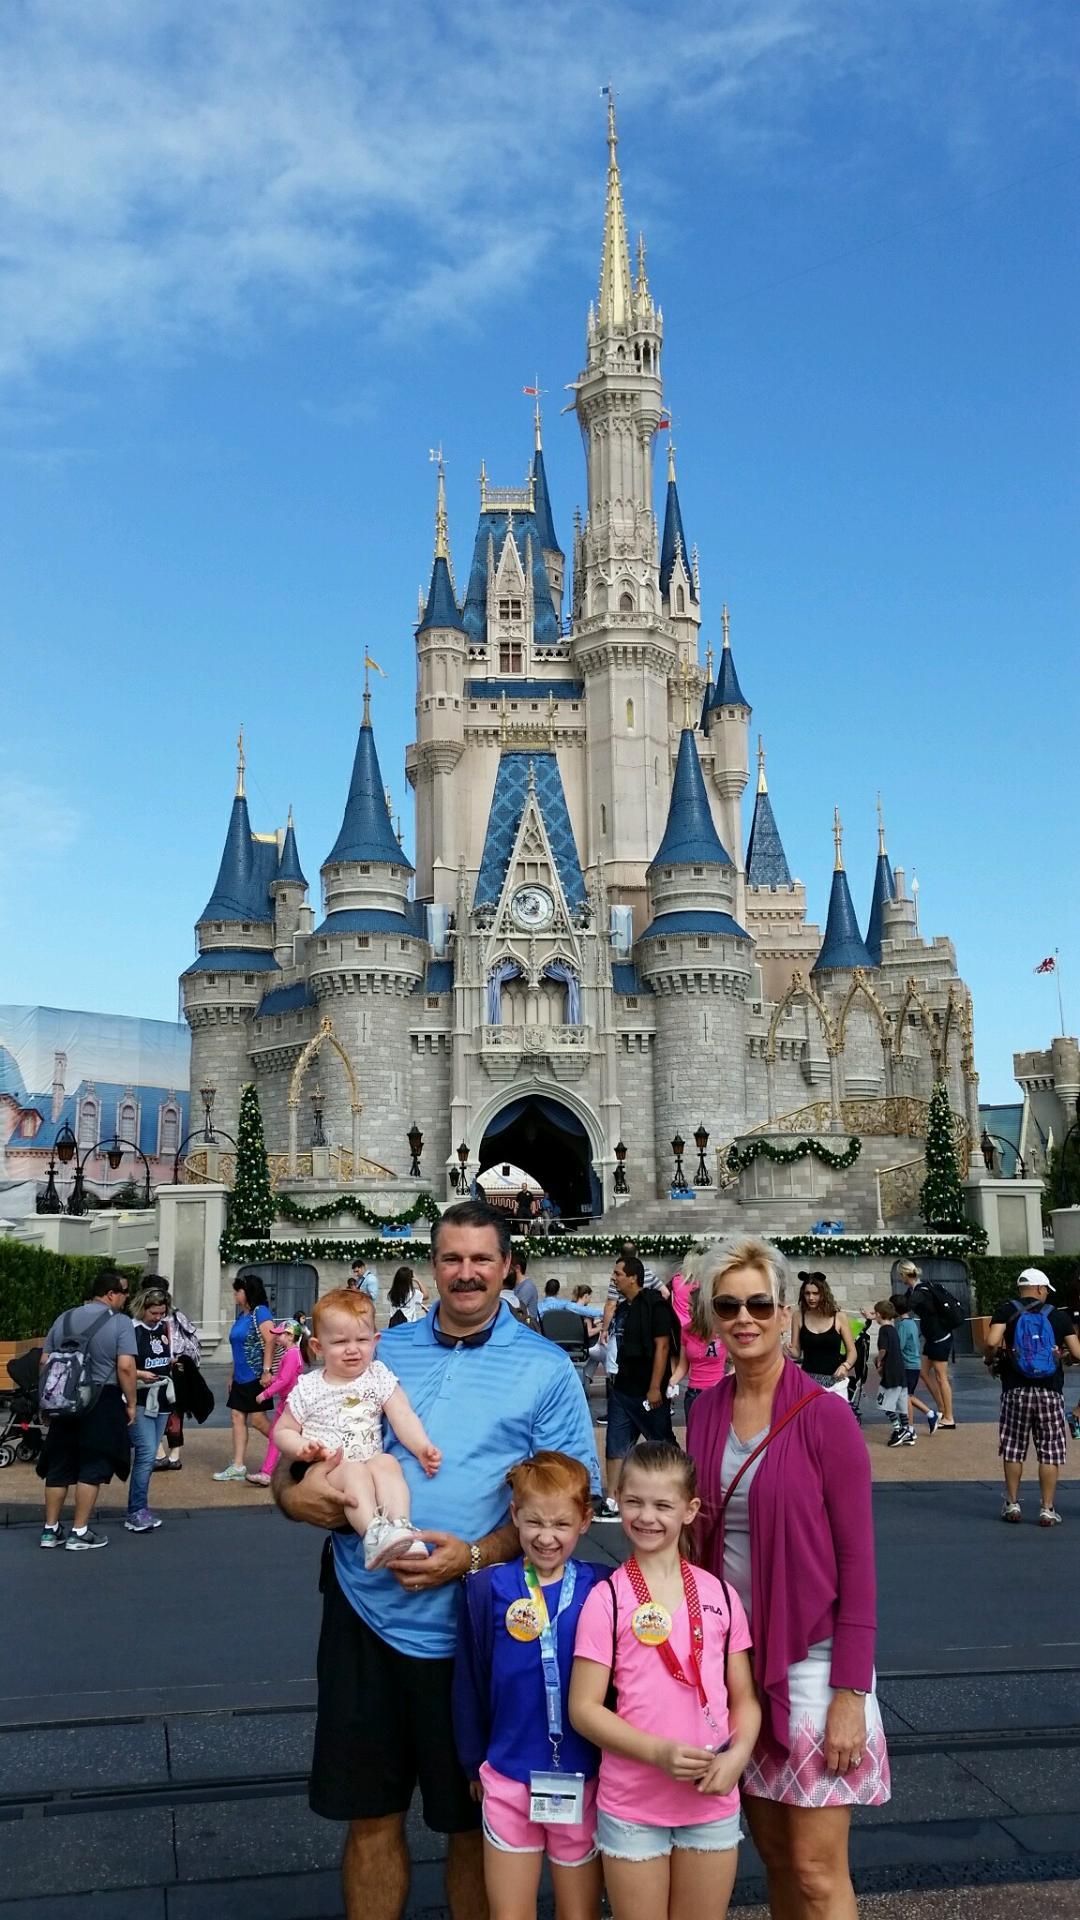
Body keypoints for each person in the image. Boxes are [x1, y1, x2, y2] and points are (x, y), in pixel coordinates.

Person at [272, 1199, 600, 1920]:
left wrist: (476, 1555)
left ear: (508, 1265)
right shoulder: (378, 1348)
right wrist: (294, 1497)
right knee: (370, 1815)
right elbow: (292, 1459)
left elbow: (573, 1500)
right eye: (452, 1258)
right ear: (432, 1266)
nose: (466, 1272)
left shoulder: (546, 1369)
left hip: (478, 1628)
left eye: (482, 1258)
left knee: (476, 1822)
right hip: (365, 1611)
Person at [686, 1235, 889, 1919]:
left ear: (784, 1315)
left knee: (816, 1871)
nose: (744, 1318)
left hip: (813, 1661)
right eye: (728, 1306)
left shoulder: (826, 1416)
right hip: (736, 1665)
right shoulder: (705, 1410)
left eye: (759, 1304)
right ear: (712, 1318)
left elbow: (858, 1561)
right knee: (774, 1856)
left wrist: (850, 1692)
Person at [570, 1441, 759, 1919]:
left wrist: (738, 1755)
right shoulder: (607, 1599)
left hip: (709, 1798)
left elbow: (744, 1698)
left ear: (689, 1510)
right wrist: (657, 1753)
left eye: (662, 1505)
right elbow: (583, 1709)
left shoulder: (719, 1594)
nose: (647, 1516)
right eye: (634, 1501)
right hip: (633, 1803)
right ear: (617, 1499)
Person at [453, 1452, 604, 1920]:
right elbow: (469, 1681)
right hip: (507, 1776)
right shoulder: (486, 1588)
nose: (546, 1536)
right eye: (534, 1521)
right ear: (515, 1515)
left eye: (561, 1524)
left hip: (583, 1778)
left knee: (579, 1913)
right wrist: (472, 1761)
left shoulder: (603, 1587)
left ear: (585, 1521)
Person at [273, 1288, 442, 1568]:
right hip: (331, 1466)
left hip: (368, 1459)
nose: (352, 1349)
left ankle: (401, 1527)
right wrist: (301, 1448)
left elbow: (402, 1414)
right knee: (354, 1472)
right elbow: (282, 1430)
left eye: (362, 1340)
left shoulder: (377, 1375)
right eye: (340, 1342)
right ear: (318, 1347)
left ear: (375, 1341)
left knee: (387, 1463)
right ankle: (373, 1534)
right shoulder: (309, 1387)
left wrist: (422, 1447)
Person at [38, 1269, 137, 1551]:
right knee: (92, 1466)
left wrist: (46, 1401)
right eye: (125, 1292)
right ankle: (79, 1531)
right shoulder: (120, 1322)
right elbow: (126, 1366)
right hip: (101, 1399)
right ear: (111, 1294)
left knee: (58, 1466)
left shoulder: (65, 1318)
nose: (127, 1298)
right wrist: (131, 1404)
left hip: (63, 1397)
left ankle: (50, 1530)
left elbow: (44, 1361)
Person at [985, 1267, 1080, 1527]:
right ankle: (1047, 1509)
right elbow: (1077, 1353)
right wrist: (1065, 1359)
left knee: (1014, 1448)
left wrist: (991, 1359)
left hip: (1015, 1389)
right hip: (1050, 1390)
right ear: (1040, 1288)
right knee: (1049, 1450)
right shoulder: (1057, 1316)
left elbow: (992, 1342)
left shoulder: (1006, 1310)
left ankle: (1012, 1503)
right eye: (1046, 1289)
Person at [600, 1255, 679, 1520]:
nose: (614, 1278)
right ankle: (613, 1499)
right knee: (615, 1443)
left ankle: (675, 1489)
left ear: (633, 1277)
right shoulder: (624, 1308)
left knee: (662, 1443)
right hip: (623, 1387)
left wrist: (655, 1387)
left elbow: (662, 1346)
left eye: (618, 1274)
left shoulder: (655, 1306)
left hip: (648, 1389)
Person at [213, 1274, 276, 1482]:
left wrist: (266, 1371)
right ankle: (238, 1465)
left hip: (255, 1376)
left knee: (258, 1421)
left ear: (248, 1292)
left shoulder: (260, 1312)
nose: (235, 1294)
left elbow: (270, 1340)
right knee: (237, 1417)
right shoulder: (242, 1315)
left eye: (238, 1291)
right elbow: (239, 1348)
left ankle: (292, 1448)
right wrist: (231, 1374)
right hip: (241, 1377)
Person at [125, 1284, 175, 1532]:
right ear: (142, 1309)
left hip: (162, 1397)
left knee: (150, 1454)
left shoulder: (164, 1327)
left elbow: (166, 1358)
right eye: (153, 1313)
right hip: (141, 1398)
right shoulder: (132, 1330)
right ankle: (136, 1510)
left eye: (161, 1313)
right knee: (145, 1454)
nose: (157, 1317)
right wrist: (140, 1374)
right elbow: (122, 1366)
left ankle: (140, 1507)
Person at [896, 1259, 956, 1428]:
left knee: (941, 1377)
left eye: (900, 1275)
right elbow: (899, 1304)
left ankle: (949, 1417)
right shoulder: (914, 1290)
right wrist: (879, 1312)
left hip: (940, 1337)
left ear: (904, 1274)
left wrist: (883, 1314)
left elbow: (903, 1307)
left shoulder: (920, 1292)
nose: (900, 1278)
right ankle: (941, 1408)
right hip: (932, 1337)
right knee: (923, 1371)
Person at [155, 1293, 211, 1471]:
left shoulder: (166, 1319)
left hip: (168, 1371)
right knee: (173, 1411)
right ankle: (171, 1455)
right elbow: (192, 1344)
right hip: (175, 1370)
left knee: (162, 1410)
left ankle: (162, 1454)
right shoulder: (178, 1317)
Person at [252, 1319, 307, 1484]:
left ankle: (268, 1472)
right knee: (279, 1436)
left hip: (289, 1402)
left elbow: (284, 1380)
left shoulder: (291, 1354)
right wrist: (273, 1380)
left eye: (280, 1334)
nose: (277, 1337)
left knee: (278, 1435)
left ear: (290, 1336)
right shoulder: (292, 1353)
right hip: (289, 1401)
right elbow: (285, 1377)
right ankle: (269, 1472)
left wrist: (265, 1394)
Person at [670, 1265, 729, 1414]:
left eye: (691, 1305)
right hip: (693, 1394)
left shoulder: (722, 1329)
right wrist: (671, 1383)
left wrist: (728, 1381)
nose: (687, 1308)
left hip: (717, 1393)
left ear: (700, 1308)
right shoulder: (686, 1330)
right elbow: (683, 1366)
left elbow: (739, 1360)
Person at [788, 1272, 857, 1398]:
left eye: (815, 1293)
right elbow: (796, 1353)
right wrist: (786, 1348)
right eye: (807, 1293)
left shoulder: (839, 1317)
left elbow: (852, 1351)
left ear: (824, 1294)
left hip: (835, 1381)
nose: (811, 1298)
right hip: (808, 1381)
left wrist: (845, 1366)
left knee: (836, 1411)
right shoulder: (798, 1316)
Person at [892, 1293, 938, 1434]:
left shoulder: (903, 1325)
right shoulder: (911, 1322)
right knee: (909, 1395)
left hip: (908, 1365)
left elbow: (899, 1346)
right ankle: (930, 1414)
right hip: (914, 1364)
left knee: (905, 1397)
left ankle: (909, 1428)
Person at [871, 1299, 915, 1448]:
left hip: (891, 1373)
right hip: (900, 1372)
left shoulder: (884, 1330)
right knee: (902, 1406)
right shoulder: (894, 1329)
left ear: (879, 1314)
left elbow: (883, 1349)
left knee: (884, 1404)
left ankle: (898, 1430)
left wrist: (878, 1361)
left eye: (875, 1314)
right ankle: (907, 1431)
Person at [509, 1249, 541, 1328]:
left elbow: (515, 1310)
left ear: (517, 1268)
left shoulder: (527, 1287)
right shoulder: (515, 1285)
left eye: (508, 1267)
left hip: (527, 1328)